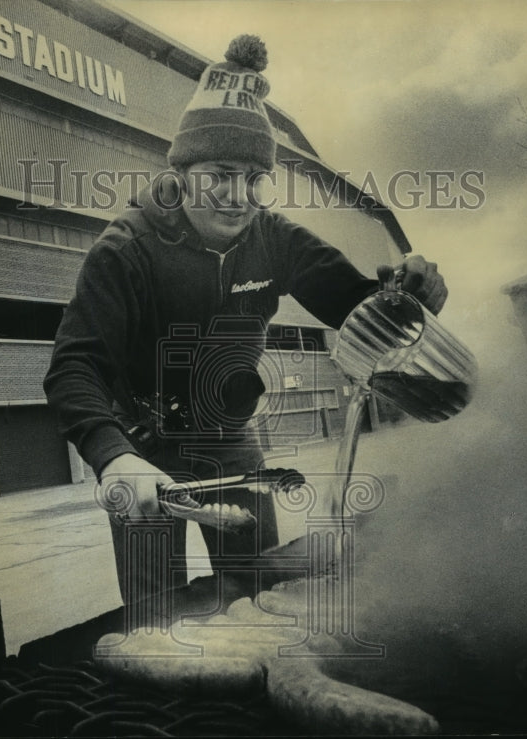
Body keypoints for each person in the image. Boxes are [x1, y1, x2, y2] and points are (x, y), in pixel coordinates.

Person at [44, 35, 447, 607]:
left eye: (255, 179)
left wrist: (411, 294)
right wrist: (114, 457)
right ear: (184, 171)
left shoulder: (274, 239)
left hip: (231, 444)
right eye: (221, 174)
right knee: (155, 613)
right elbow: (74, 366)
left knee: (258, 593)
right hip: (141, 444)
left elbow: (359, 306)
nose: (239, 197)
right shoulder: (125, 249)